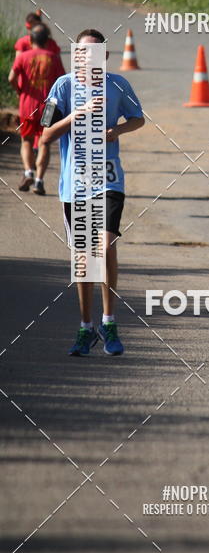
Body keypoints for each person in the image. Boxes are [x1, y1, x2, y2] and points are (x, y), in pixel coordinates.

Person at [40, 28, 145, 357]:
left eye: (94, 53)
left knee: (106, 244)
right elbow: (44, 135)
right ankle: (86, 327)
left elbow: (138, 119)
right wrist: (76, 115)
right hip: (76, 184)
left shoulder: (117, 85)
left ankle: (109, 321)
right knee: (84, 259)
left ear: (106, 57)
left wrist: (117, 130)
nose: (87, 59)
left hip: (109, 179)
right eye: (81, 53)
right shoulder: (64, 86)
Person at [8, 24, 65, 194]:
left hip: (27, 106)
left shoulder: (23, 57)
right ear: (47, 41)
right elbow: (62, 81)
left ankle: (28, 172)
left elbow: (11, 77)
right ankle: (39, 181)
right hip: (48, 107)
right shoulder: (53, 57)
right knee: (44, 142)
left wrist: (20, 91)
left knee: (26, 140)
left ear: (30, 40)